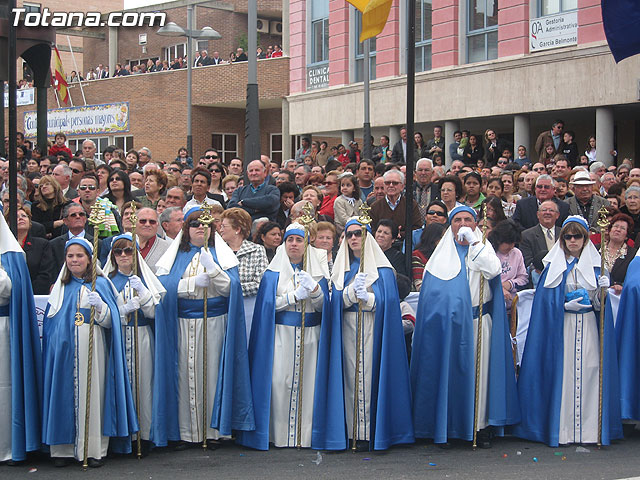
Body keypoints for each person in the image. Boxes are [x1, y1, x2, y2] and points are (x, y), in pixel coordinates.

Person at [411, 205, 520, 448]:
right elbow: (432, 298)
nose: (462, 224)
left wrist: (475, 244)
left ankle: (478, 426)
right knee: (450, 375)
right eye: (457, 220)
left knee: (479, 376)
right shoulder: (439, 258)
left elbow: (492, 270)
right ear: (450, 225)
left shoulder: (482, 249)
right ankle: (448, 426)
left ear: (475, 223)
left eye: (468, 219)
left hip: (479, 321)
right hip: (450, 327)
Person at [514, 216, 622, 446]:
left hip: (589, 328)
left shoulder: (596, 266)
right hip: (562, 329)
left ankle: (590, 431)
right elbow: (544, 303)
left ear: (585, 239)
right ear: (562, 240)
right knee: (565, 374)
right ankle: (563, 429)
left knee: (590, 372)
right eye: (568, 237)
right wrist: (562, 305)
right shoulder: (553, 268)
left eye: (578, 236)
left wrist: (601, 292)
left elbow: (600, 308)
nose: (573, 241)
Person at [153, 208, 254, 448]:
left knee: (213, 374)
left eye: (205, 224)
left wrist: (214, 269)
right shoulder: (176, 256)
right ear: (187, 230)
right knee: (185, 375)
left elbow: (232, 289)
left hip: (215, 322)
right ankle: (186, 433)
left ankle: (213, 431)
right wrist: (190, 283)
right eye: (195, 223)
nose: (200, 227)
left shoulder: (222, 255)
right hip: (183, 322)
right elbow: (162, 288)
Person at [312, 217, 414, 451]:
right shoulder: (341, 268)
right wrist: (348, 293)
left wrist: (369, 299)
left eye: (359, 233)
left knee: (371, 374)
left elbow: (389, 302)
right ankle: (350, 430)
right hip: (347, 327)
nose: (354, 238)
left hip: (372, 327)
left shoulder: (384, 270)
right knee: (348, 376)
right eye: (349, 235)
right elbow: (334, 301)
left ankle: (371, 430)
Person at [42, 237, 137, 467]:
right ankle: (62, 450)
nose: (75, 260)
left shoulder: (101, 285)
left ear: (89, 259)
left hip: (93, 353)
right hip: (64, 354)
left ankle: (93, 449)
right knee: (62, 395)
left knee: (94, 395)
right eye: (70, 256)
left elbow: (113, 321)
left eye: (80, 256)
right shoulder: (60, 288)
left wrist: (102, 307)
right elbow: (51, 322)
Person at [237, 224, 330, 450]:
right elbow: (267, 306)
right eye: (290, 240)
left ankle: (304, 435)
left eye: (299, 240)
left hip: (311, 335)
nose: (294, 244)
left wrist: (316, 291)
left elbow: (324, 307)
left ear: (306, 244)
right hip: (281, 335)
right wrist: (292, 297)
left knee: (309, 384)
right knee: (280, 382)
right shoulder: (272, 274)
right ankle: (279, 434)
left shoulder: (318, 272)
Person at [103, 233, 166, 454]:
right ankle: (124, 434)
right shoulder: (108, 281)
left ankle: (145, 433)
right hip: (118, 339)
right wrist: (123, 310)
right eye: (118, 252)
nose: (123, 255)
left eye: (128, 250)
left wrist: (143, 292)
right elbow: (104, 314)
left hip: (141, 336)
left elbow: (154, 312)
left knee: (144, 385)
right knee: (122, 384)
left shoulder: (144, 279)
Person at [0, 209, 42, 465]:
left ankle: (6, 445)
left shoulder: (11, 255)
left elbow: (7, 288)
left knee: (4, 388)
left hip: (2, 328)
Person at [219, 208, 269, 297]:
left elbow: (261, 283)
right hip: (221, 306)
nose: (220, 230)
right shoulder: (218, 251)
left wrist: (231, 289)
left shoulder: (257, 250)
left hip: (248, 307)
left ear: (237, 229)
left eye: (224, 226)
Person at [13, 206, 54, 294]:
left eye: (24, 216)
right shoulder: (4, 246)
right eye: (16, 217)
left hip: (34, 296)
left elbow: (45, 274)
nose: (20, 218)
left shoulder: (42, 245)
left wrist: (27, 293)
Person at [488, 220, 527, 308]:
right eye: (508, 243)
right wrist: (499, 288)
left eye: (513, 243)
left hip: (512, 305)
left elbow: (523, 278)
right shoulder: (488, 254)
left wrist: (509, 284)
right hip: (492, 303)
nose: (511, 246)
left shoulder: (517, 253)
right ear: (498, 240)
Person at [595, 213, 636, 295]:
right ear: (609, 230)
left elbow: (634, 278)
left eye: (623, 228)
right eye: (616, 226)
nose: (618, 229)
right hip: (596, 296)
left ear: (627, 236)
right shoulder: (595, 249)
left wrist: (621, 285)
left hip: (619, 296)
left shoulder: (632, 254)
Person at [412, 223, 446, 291]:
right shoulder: (417, 255)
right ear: (433, 238)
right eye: (442, 238)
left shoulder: (447, 255)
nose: (445, 241)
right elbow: (419, 285)